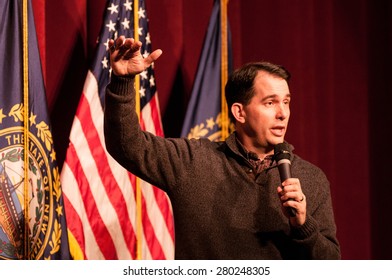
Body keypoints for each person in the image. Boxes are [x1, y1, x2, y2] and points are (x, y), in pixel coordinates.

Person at [104, 36, 341, 260]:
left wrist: (302, 225)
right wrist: (123, 82)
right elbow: (127, 145)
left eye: (286, 102)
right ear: (239, 112)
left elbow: (330, 263)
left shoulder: (311, 179)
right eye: (270, 103)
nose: (283, 114)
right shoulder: (192, 161)